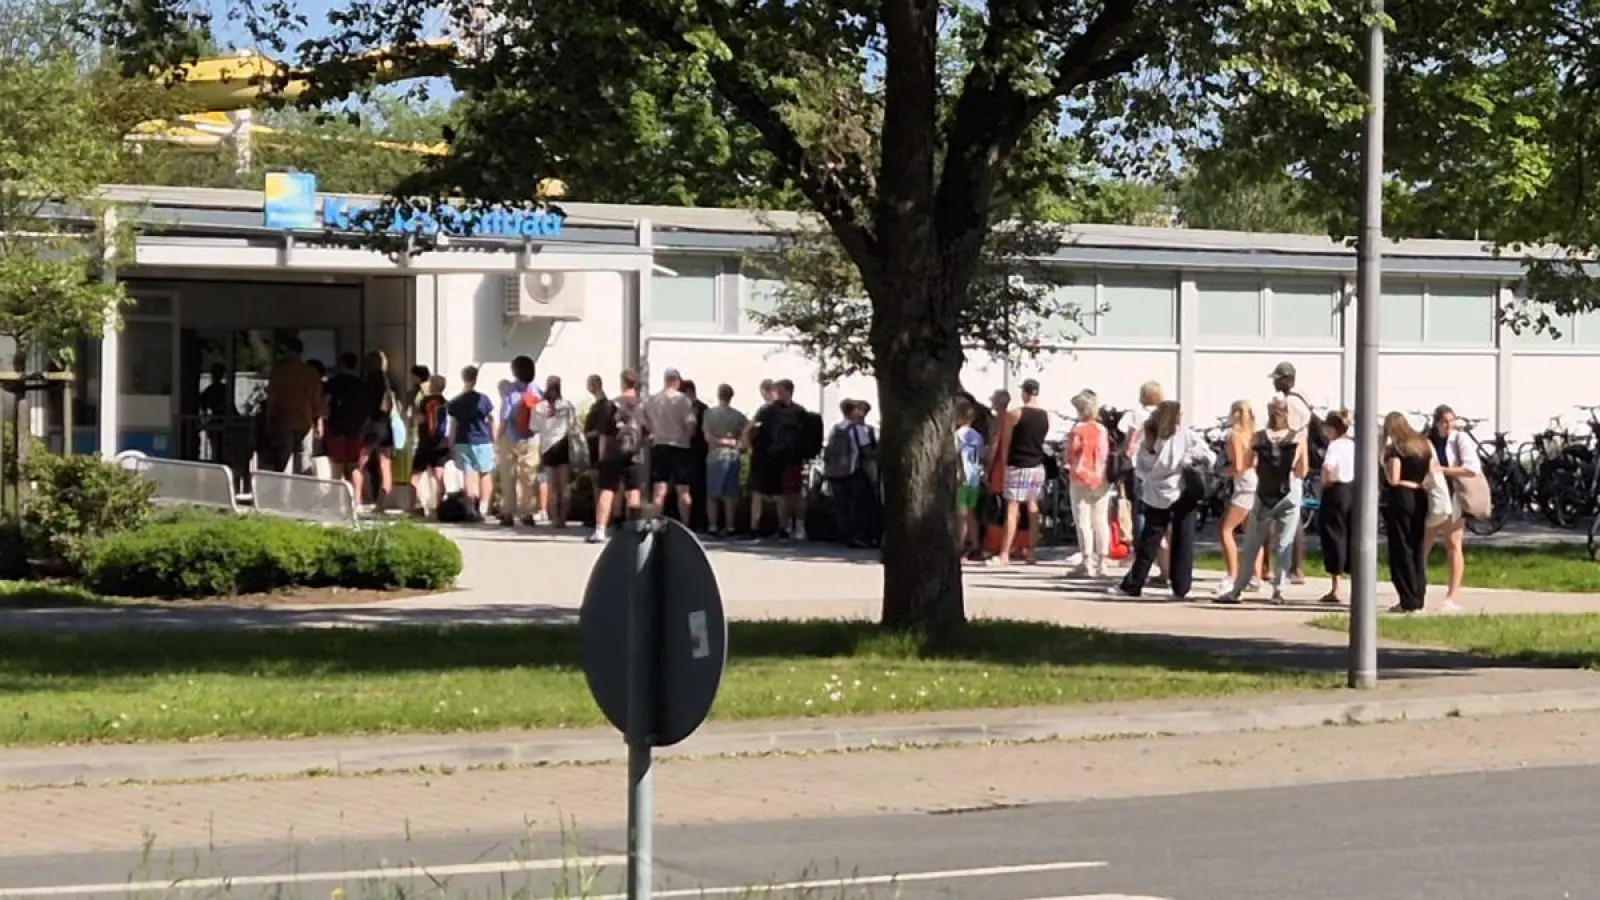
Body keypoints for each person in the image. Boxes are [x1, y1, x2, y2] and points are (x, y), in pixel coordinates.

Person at [1111, 400, 1214, 600]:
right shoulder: (1185, 436)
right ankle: (1181, 585)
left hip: (1155, 494)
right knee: (1183, 538)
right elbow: (1209, 456)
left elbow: (1140, 467)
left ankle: (1134, 582)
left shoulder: (1149, 439)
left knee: (1150, 540)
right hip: (1183, 490)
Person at [1215, 397, 1309, 605]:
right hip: (1290, 489)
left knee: (1252, 542)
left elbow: (1249, 463)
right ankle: (1279, 590)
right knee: (1284, 542)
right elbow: (1303, 469)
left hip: (1265, 491)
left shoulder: (1260, 437)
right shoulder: (1298, 437)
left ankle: (1237, 588)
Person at [1424, 404, 1476, 613]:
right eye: (1445, 421)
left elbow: (1471, 468)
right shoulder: (1427, 440)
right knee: (1424, 544)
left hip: (1454, 495)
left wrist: (1444, 470)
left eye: (1452, 421)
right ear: (1436, 423)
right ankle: (1416, 590)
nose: (1449, 425)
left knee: (1454, 543)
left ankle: (1452, 596)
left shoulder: (1460, 440)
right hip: (1434, 496)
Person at [1383, 411, 1435, 613]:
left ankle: (1407, 597)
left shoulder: (1397, 449)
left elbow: (1393, 479)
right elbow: (1431, 472)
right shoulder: (1423, 446)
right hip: (1420, 496)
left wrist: (1386, 468)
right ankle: (1419, 594)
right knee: (1417, 546)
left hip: (1401, 497)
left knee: (1401, 547)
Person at [993, 379, 1049, 566]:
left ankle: (1004, 553)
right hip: (1036, 465)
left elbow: (1006, 442)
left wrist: (1003, 462)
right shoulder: (1045, 416)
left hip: (1017, 465)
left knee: (1012, 508)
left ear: (1025, 392)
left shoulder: (1015, 414)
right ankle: (1031, 552)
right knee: (1033, 506)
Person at [1270, 361, 1316, 584]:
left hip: (1290, 464)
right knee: (1291, 516)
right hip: (1298, 463)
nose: (1274, 383)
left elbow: (1294, 434)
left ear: (1286, 379)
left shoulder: (1291, 402)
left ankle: (1293, 568)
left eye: (1277, 379)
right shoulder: (1303, 397)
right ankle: (1292, 567)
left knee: (1287, 517)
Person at [1215, 399, 1266, 598]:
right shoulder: (1254, 436)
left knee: (1225, 529)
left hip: (1243, 484)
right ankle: (1255, 576)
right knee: (1252, 532)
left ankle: (1232, 575)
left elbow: (1237, 466)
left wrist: (1222, 473)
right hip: (1255, 482)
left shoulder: (1235, 436)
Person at [744, 378, 805, 541]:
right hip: (783, 457)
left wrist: (749, 446)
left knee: (758, 494)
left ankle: (754, 529)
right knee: (781, 495)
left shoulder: (767, 410)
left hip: (763, 456)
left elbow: (749, 428)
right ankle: (783, 529)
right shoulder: (798, 411)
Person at [1117, 381, 1166, 581]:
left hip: (1138, 466)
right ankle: (1162, 562)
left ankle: (1140, 553)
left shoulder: (1135, 414)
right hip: (1160, 468)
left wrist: (1125, 455)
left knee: (1139, 511)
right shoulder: (1164, 414)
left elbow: (1127, 438)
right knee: (1159, 513)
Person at [591, 370, 644, 543]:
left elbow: (604, 433)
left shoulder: (612, 404)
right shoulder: (642, 405)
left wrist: (601, 456)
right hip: (634, 453)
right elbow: (648, 431)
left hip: (613, 452)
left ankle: (600, 530)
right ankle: (635, 527)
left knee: (607, 490)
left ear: (623, 382)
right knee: (633, 490)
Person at [1065, 390, 1112, 577]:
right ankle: (1103, 562)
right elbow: (1104, 453)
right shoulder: (1102, 430)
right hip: (1101, 478)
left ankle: (1087, 561)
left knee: (1083, 521)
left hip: (1080, 477)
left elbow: (1070, 453)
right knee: (1100, 520)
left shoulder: (1077, 430)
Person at [644, 367, 698, 524]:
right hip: (680, 446)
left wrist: (654, 430)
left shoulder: (653, 399)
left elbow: (644, 419)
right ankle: (686, 524)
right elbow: (690, 425)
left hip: (660, 444)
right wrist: (687, 435)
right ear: (676, 381)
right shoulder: (683, 400)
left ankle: (655, 523)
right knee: (683, 490)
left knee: (659, 489)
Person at [263, 336, 322, 476]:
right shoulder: (310, 372)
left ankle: (284, 494)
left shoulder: (279, 372)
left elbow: (272, 399)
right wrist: (318, 422)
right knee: (304, 459)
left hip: (284, 420)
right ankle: (303, 492)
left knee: (284, 460)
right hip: (305, 420)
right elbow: (316, 400)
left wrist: (268, 420)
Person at [824, 399, 877, 548]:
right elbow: (866, 451)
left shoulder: (837, 428)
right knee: (860, 504)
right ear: (852, 411)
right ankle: (860, 536)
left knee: (842, 505)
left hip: (835, 473)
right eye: (858, 410)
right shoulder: (857, 429)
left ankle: (845, 535)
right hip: (853, 471)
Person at [323, 352, 375, 499]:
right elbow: (368, 409)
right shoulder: (362, 385)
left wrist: (321, 420)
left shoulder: (334, 382)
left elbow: (325, 403)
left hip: (336, 428)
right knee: (354, 466)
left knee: (337, 466)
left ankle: (337, 499)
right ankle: (356, 500)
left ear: (342, 365)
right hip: (356, 431)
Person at [448, 365, 498, 519]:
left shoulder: (456, 402)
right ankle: (483, 507)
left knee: (469, 474)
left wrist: (451, 444)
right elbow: (491, 421)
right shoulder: (484, 400)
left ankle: (470, 508)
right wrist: (495, 441)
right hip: (483, 440)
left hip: (463, 440)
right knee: (485, 473)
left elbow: (453, 425)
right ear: (476, 379)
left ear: (463, 378)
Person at [499, 355, 543, 527]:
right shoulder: (537, 390)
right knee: (528, 477)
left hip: (511, 436)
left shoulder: (510, 391)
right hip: (531, 438)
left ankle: (508, 512)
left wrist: (498, 436)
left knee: (509, 475)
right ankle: (527, 512)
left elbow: (505, 415)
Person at [1317, 410, 1356, 604]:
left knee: (1334, 535)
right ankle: (1356, 580)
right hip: (1354, 490)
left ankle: (1336, 586)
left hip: (1337, 491)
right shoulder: (1353, 444)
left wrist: (1325, 483)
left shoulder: (1334, 446)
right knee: (1351, 534)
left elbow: (1328, 468)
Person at [702, 383, 748, 538]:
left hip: (715, 455)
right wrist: (737, 443)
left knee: (713, 495)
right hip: (732, 456)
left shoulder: (709, 414)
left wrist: (720, 441)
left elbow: (707, 437)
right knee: (730, 494)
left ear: (718, 394)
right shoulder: (738, 416)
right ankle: (730, 526)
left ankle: (713, 526)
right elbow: (748, 431)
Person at [535, 374, 578, 528]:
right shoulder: (567, 405)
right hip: (563, 445)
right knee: (565, 485)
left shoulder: (540, 407)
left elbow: (533, 427)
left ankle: (554, 519)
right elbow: (573, 425)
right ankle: (563, 519)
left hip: (547, 447)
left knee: (552, 486)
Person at [360, 350, 400, 509]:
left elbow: (367, 404)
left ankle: (365, 497)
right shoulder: (388, 381)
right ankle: (382, 502)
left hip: (372, 426)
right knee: (385, 464)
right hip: (386, 426)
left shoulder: (370, 380)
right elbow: (388, 405)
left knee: (360, 463)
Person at [411, 374, 451, 518]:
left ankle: (417, 505)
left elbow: (419, 419)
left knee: (415, 477)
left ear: (432, 385)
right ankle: (440, 507)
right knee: (439, 476)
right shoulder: (446, 402)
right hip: (441, 444)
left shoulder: (425, 402)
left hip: (425, 443)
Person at [954, 399, 985, 557]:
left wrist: (959, 472)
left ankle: (960, 544)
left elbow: (957, 455)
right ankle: (975, 543)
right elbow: (980, 456)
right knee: (972, 513)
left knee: (961, 512)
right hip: (974, 475)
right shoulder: (977, 436)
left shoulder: (957, 435)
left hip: (962, 476)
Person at [682, 379, 711, 532]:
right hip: (688, 453)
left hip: (697, 452)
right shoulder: (694, 408)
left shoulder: (701, 409)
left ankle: (699, 521)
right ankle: (692, 520)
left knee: (698, 488)